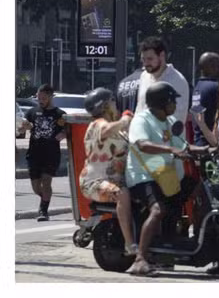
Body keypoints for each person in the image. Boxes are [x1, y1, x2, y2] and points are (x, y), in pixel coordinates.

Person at [125, 81, 190, 276]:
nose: (175, 105)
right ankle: (140, 259)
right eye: (172, 101)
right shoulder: (141, 120)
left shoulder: (169, 122)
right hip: (142, 176)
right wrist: (171, 149)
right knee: (158, 209)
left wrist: (207, 149)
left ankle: (171, 249)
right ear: (162, 103)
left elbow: (182, 145)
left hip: (164, 175)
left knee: (192, 190)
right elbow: (142, 145)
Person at [80, 87, 136, 254]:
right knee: (121, 193)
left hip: (117, 178)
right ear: (104, 106)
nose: (115, 104)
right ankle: (129, 244)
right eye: (112, 101)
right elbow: (105, 131)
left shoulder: (117, 128)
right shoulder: (97, 124)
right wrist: (125, 119)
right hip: (95, 182)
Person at [24, 84, 67, 221]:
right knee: (36, 186)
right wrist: (24, 126)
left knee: (46, 182)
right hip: (34, 153)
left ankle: (43, 211)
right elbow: (22, 127)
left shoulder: (60, 114)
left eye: (43, 97)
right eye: (38, 97)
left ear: (50, 97)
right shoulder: (32, 112)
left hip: (51, 154)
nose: (40, 100)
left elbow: (68, 130)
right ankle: (45, 199)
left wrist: (63, 134)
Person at [134, 36, 190, 127]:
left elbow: (177, 118)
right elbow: (140, 109)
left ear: (162, 56)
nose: (145, 64)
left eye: (150, 59)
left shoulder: (178, 81)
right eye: (143, 59)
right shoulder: (144, 76)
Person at [190, 52, 219, 147]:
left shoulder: (198, 87)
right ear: (212, 66)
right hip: (212, 144)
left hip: (199, 141)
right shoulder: (215, 87)